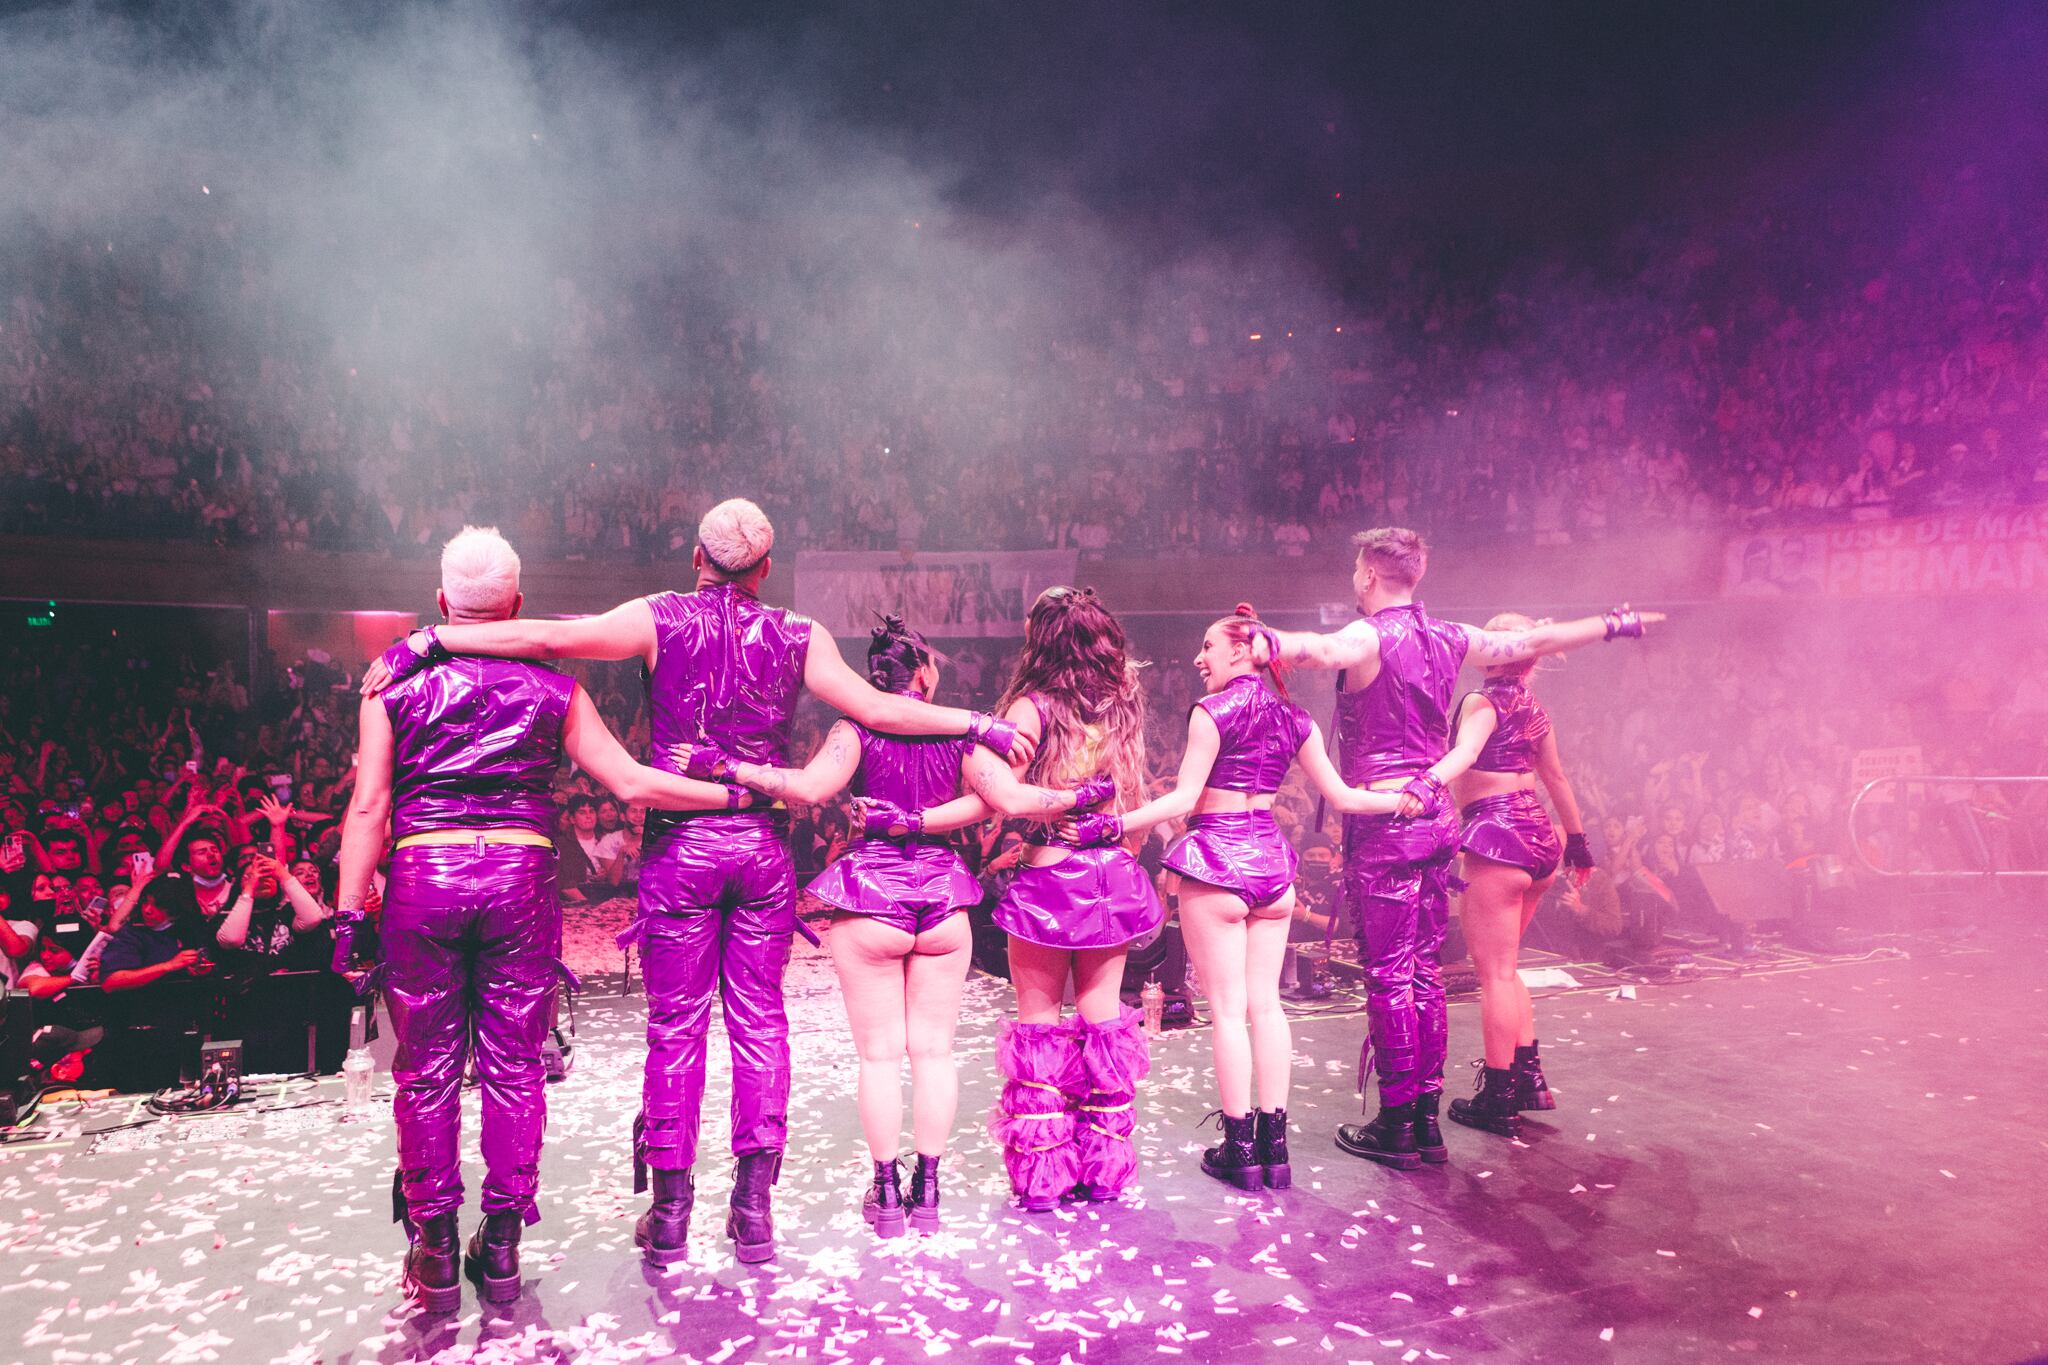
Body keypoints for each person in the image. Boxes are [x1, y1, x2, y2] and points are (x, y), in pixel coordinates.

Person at [361, 499, 1033, 1266]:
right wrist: (978, 723)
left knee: (675, 1027)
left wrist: (432, 638)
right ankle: (753, 1212)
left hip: (681, 847)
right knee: (760, 1022)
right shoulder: (800, 633)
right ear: (767, 568)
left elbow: (548, 636)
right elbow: (882, 708)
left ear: (695, 558)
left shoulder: (658, 618)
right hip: (761, 850)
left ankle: (672, 1213)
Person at [338, 526, 752, 1312]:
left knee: (424, 1067)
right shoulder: (554, 689)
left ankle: (434, 1248)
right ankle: (500, 1244)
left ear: (441, 601)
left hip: (425, 878)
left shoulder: (392, 681)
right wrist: (734, 794)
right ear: (519, 605)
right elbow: (633, 782)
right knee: (515, 1064)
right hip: (519, 882)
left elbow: (368, 806)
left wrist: (347, 912)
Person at [1268, 528, 1661, 1170]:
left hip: (1390, 818)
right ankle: (1425, 1121)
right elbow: (1533, 643)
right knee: (1423, 971)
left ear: (1368, 574)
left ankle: (1399, 1123)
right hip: (1440, 822)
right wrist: (1613, 624)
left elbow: (1318, 649)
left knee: (1392, 974)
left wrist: (1268, 642)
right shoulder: (1452, 636)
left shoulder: (1370, 635)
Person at [690, 615, 1090, 1238]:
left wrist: (727, 767)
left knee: (879, 1058)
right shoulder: (959, 731)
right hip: (943, 901)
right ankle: (926, 1191)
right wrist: (1083, 798)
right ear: (925, 673)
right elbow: (1006, 799)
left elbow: (808, 788)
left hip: (870, 898)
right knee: (934, 1054)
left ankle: (885, 1195)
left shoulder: (854, 728)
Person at [1101, 605, 1411, 1190]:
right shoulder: (1296, 718)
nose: (1199, 657)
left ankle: (1241, 1149)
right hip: (1271, 868)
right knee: (1267, 1008)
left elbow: (1183, 799)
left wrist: (1113, 824)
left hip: (1217, 862)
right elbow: (1345, 798)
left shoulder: (1211, 712)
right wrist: (1407, 797)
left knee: (1227, 1011)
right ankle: (1277, 1147)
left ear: (1241, 651)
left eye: (1208, 646)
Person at [969, 586, 1160, 1211]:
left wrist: (1061, 799)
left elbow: (1003, 792)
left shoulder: (1032, 709)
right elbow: (1130, 796)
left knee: (1039, 1024)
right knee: (1105, 1018)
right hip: (1111, 872)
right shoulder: (1121, 706)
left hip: (1051, 877)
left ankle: (1043, 1178)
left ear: (1042, 640)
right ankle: (1104, 1172)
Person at [1430, 614, 1595, 1138]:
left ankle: (1498, 1097)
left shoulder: (1482, 702)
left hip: (1499, 838)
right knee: (1508, 968)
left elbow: (1465, 755)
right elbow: (1557, 778)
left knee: (1494, 976)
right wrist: (1579, 845)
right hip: (1540, 838)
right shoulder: (1535, 707)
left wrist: (1422, 784)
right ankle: (1529, 1080)